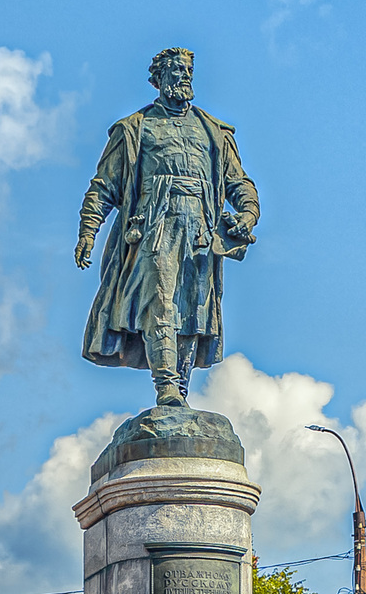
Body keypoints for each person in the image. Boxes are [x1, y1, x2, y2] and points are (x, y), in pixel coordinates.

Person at [74, 47, 260, 408]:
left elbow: (239, 183)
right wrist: (88, 230)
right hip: (155, 226)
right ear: (158, 79)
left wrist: (248, 214)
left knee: (193, 311)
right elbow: (104, 185)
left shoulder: (214, 132)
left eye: (188, 70)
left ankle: (180, 392)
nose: (184, 76)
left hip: (201, 230)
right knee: (160, 302)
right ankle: (167, 386)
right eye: (176, 70)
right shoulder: (134, 128)